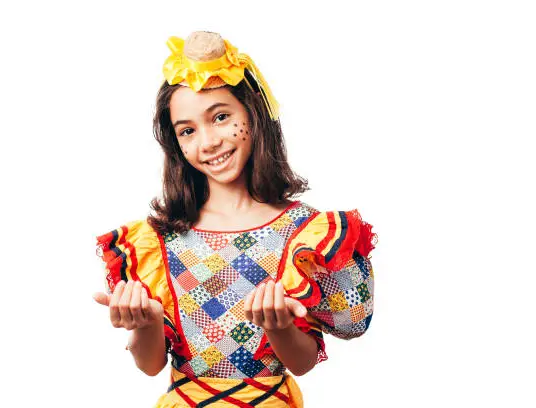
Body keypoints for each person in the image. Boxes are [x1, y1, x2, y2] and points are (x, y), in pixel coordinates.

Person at [93, 31, 378, 407]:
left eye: (221, 117)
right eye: (188, 131)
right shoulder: (159, 240)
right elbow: (151, 365)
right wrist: (146, 321)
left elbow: (304, 362)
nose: (208, 142)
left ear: (254, 113)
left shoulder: (303, 234)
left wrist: (278, 328)